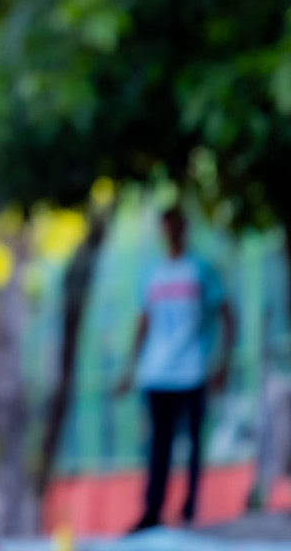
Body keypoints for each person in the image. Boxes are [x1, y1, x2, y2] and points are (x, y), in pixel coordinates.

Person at [115, 208, 235, 531]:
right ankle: (152, 511)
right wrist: (129, 368)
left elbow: (227, 313)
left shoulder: (200, 269)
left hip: (193, 371)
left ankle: (190, 510)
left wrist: (223, 361)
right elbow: (143, 322)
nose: (171, 234)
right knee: (158, 445)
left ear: (185, 229)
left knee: (195, 443)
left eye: (177, 227)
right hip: (157, 373)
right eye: (167, 228)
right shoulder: (152, 273)